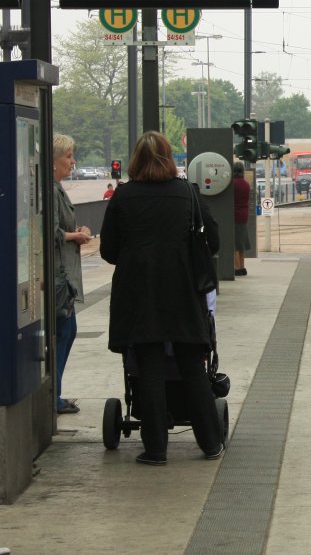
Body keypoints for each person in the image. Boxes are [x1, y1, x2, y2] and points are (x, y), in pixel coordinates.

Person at [100, 131, 224, 466]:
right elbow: (212, 241)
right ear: (169, 158)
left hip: (139, 295)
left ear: (135, 160)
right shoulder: (188, 193)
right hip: (184, 293)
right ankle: (211, 443)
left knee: (149, 367)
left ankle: (155, 449)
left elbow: (108, 251)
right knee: (192, 367)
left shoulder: (123, 197)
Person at [53, 134, 90, 414]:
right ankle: (53, 395)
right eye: (68, 156)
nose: (72, 162)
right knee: (64, 331)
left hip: (62, 274)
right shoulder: (52, 191)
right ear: (53, 161)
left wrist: (77, 233)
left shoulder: (57, 188)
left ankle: (55, 392)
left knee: (67, 330)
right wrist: (74, 235)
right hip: (59, 276)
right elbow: (52, 231)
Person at [232, 161, 251, 276]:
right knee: (241, 243)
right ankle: (243, 266)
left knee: (234, 243)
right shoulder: (246, 184)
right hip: (244, 215)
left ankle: (237, 267)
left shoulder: (232, 184)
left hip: (234, 214)